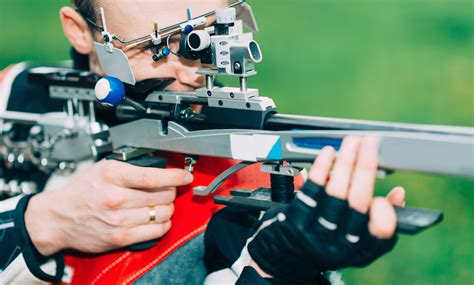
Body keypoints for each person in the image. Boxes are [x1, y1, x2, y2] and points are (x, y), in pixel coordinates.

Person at [0, 0, 406, 284]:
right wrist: (38, 224)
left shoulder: (244, 185)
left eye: (211, 36)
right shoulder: (15, 94)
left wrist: (274, 270)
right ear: (80, 31)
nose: (194, 72)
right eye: (153, 47)